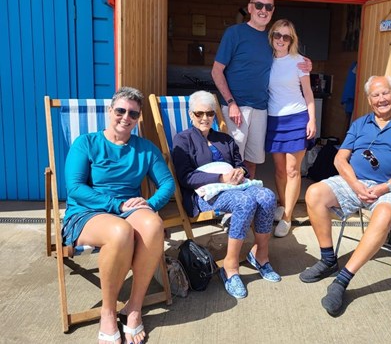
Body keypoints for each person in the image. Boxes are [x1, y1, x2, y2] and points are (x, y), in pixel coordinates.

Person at [299, 75, 391, 316]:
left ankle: (342, 280)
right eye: (375, 95)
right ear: (370, 100)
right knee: (315, 193)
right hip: (355, 183)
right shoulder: (360, 124)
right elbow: (340, 158)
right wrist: (355, 183)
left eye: (385, 93)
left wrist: (386, 187)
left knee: (383, 214)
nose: (381, 99)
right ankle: (328, 259)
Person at [62, 87, 175, 344]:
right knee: (120, 231)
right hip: (86, 212)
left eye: (133, 114)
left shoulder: (144, 149)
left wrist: (149, 203)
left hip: (128, 209)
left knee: (154, 225)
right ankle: (108, 312)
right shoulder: (87, 143)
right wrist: (118, 205)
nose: (126, 117)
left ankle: (133, 309)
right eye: (121, 111)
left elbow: (167, 184)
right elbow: (75, 188)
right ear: (110, 111)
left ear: (138, 118)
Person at [172, 90, 281, 300]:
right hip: (204, 194)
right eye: (199, 113)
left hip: (234, 186)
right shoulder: (182, 140)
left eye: (210, 113)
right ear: (190, 114)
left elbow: (240, 165)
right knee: (245, 201)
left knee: (267, 196)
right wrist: (220, 179)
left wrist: (241, 172)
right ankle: (230, 268)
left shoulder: (224, 138)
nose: (205, 118)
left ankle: (261, 256)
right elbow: (185, 177)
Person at [211, 0, 312, 179]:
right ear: (250, 7)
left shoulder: (271, 39)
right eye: (259, 5)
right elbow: (216, 71)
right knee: (232, 162)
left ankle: (249, 201)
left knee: (252, 162)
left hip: (261, 109)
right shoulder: (234, 33)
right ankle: (232, 205)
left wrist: (306, 62)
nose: (263, 10)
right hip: (237, 108)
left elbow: (287, 56)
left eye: (268, 7)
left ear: (272, 11)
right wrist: (231, 102)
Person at [265, 19, 316, 237]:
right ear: (272, 37)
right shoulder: (265, 60)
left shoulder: (300, 62)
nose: (281, 40)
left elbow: (308, 93)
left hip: (297, 118)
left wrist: (312, 120)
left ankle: (287, 217)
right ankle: (283, 205)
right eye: (278, 35)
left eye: (286, 36)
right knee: (278, 169)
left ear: (291, 40)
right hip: (273, 120)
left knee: (292, 170)